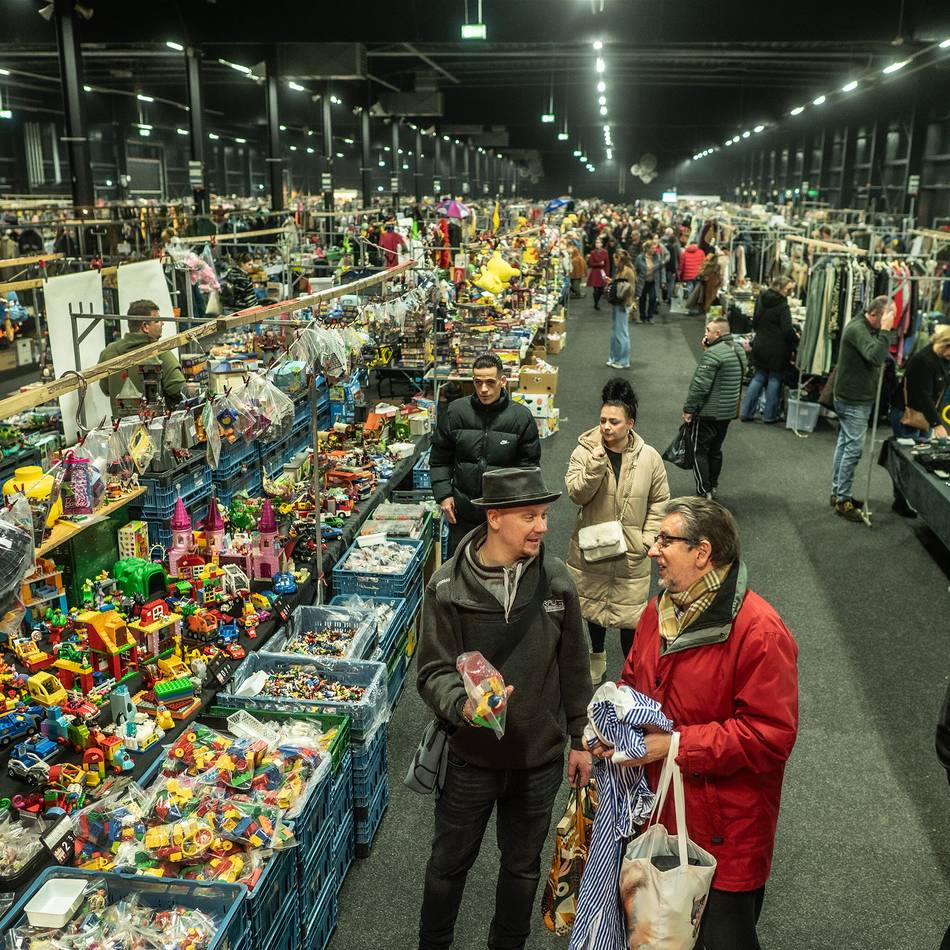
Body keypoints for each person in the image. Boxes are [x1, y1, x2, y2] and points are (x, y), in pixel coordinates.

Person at [594, 497, 798, 950]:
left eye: (666, 540)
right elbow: (633, 685)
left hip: (725, 833)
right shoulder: (657, 612)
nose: (653, 549)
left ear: (702, 553)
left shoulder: (761, 632)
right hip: (659, 815)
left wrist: (676, 746)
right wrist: (616, 731)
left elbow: (770, 737)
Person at [416, 466, 593, 950]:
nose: (542, 526)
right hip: (471, 759)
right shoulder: (448, 586)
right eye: (529, 516)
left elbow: (576, 667)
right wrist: (463, 707)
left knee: (522, 869)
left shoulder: (557, 584)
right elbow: (432, 672)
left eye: (544, 515)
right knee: (448, 865)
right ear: (494, 518)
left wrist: (581, 740)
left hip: (538, 762)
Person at [565, 378, 670, 683]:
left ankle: (631, 670)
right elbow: (576, 493)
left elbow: (660, 499)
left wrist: (648, 538)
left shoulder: (649, 458)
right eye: (602, 421)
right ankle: (596, 654)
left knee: (631, 619)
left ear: (630, 424)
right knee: (592, 608)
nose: (607, 427)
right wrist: (595, 465)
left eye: (614, 422)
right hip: (593, 546)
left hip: (631, 552)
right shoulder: (585, 450)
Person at [429, 353, 541, 556]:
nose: (483, 389)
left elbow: (528, 470)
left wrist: (518, 511)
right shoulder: (455, 412)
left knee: (501, 570)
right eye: (477, 382)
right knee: (462, 569)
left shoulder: (521, 417)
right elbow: (439, 458)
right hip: (463, 511)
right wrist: (444, 495)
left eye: (490, 382)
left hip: (504, 513)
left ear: (503, 381)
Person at [830, 295, 897, 522]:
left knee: (844, 445)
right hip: (853, 400)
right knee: (853, 449)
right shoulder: (858, 329)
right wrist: (886, 331)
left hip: (854, 397)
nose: (892, 321)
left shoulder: (864, 326)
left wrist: (884, 331)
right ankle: (843, 499)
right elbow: (876, 356)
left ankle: (838, 492)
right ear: (876, 314)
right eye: (889, 316)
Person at [887, 324, 950, 517]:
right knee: (906, 460)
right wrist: (937, 424)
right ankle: (901, 500)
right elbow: (922, 396)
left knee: (922, 460)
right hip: (908, 415)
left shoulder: (942, 359)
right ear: (945, 345)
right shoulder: (923, 360)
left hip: (924, 416)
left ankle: (914, 499)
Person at [683, 318, 747, 498]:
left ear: (717, 333)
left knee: (699, 451)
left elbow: (700, 385)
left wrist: (689, 408)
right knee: (715, 450)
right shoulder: (739, 350)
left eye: (708, 331)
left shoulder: (714, 354)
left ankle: (703, 490)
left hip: (708, 412)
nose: (705, 334)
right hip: (727, 412)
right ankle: (713, 485)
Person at [98, 299, 186, 415]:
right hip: (155, 427)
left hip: (121, 427)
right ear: (145, 326)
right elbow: (178, 389)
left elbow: (105, 389)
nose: (162, 323)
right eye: (157, 321)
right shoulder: (159, 351)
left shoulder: (109, 352)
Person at [740, 276, 798, 424]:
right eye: (789, 289)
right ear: (783, 288)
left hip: (760, 344)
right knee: (774, 379)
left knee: (758, 377)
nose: (790, 292)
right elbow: (786, 330)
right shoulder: (783, 305)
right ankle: (769, 415)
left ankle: (746, 412)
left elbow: (755, 321)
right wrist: (796, 339)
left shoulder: (762, 299)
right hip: (777, 349)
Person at [606, 250, 635, 369]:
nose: (614, 262)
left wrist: (617, 286)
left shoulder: (628, 272)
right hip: (617, 303)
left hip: (623, 304)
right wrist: (612, 282)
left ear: (619, 259)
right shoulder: (620, 270)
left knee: (621, 333)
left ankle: (623, 360)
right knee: (615, 332)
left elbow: (630, 289)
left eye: (615, 259)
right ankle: (614, 358)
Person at [634, 236, 662, 324]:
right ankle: (642, 317)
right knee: (642, 299)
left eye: (655, 248)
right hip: (643, 282)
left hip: (653, 281)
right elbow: (636, 270)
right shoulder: (640, 258)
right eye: (652, 248)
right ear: (647, 249)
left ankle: (650, 317)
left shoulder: (657, 257)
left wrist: (663, 280)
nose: (654, 250)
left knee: (653, 298)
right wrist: (635, 280)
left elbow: (661, 268)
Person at [678, 241, 705, 306]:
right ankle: (695, 304)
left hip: (688, 275)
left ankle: (690, 304)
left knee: (689, 289)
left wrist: (680, 276)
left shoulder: (684, 253)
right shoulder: (701, 252)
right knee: (696, 291)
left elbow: (681, 266)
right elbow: (704, 264)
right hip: (697, 275)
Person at [586, 236, 609, 310]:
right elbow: (591, 263)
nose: (597, 244)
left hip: (602, 272)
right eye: (596, 243)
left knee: (601, 289)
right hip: (595, 272)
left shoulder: (605, 252)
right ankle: (596, 303)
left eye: (599, 243)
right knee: (595, 289)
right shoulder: (593, 252)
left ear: (602, 244)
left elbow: (607, 263)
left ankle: (597, 301)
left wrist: (607, 274)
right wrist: (599, 263)